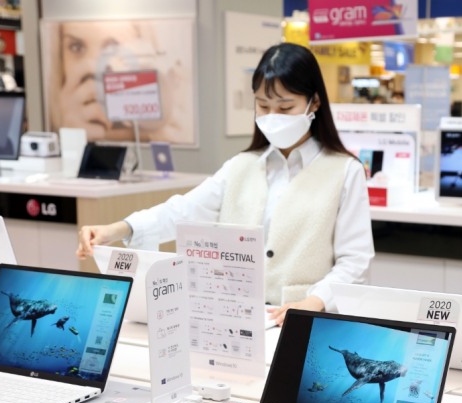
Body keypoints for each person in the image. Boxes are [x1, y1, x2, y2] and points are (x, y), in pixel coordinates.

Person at [77, 42, 375, 325]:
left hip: (305, 321)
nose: (273, 116)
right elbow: (183, 211)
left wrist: (315, 300)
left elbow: (355, 261)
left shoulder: (344, 171)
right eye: (263, 105)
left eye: (285, 108)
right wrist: (118, 229)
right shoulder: (241, 167)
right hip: (236, 320)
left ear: (315, 102)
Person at [44, 19, 193, 144]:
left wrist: (162, 131)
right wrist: (67, 135)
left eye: (113, 48)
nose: (94, 66)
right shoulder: (52, 124)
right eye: (76, 47)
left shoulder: (169, 106)